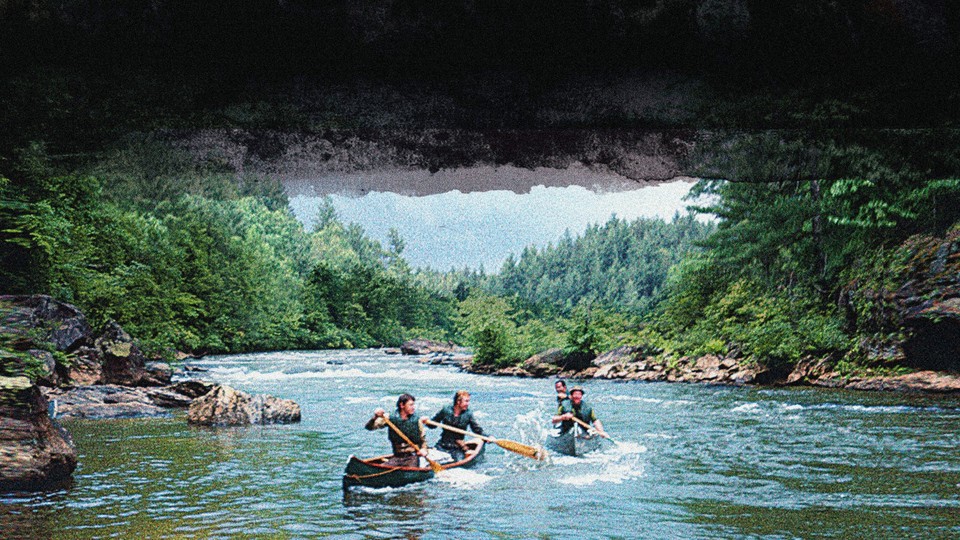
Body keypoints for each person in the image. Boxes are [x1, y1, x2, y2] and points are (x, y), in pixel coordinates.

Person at [365, 393, 429, 467]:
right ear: (402, 405)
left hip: (412, 457)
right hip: (397, 456)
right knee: (384, 467)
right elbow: (369, 428)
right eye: (411, 405)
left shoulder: (417, 421)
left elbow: (423, 440)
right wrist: (375, 417)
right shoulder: (389, 418)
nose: (413, 407)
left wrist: (424, 450)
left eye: (413, 405)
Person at [425, 390, 486, 462]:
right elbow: (433, 425)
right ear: (458, 402)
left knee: (458, 461)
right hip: (442, 445)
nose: (468, 404)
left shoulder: (468, 414)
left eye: (468, 401)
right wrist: (426, 421)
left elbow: (477, 429)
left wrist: (487, 436)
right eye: (466, 401)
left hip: (457, 448)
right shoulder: (446, 410)